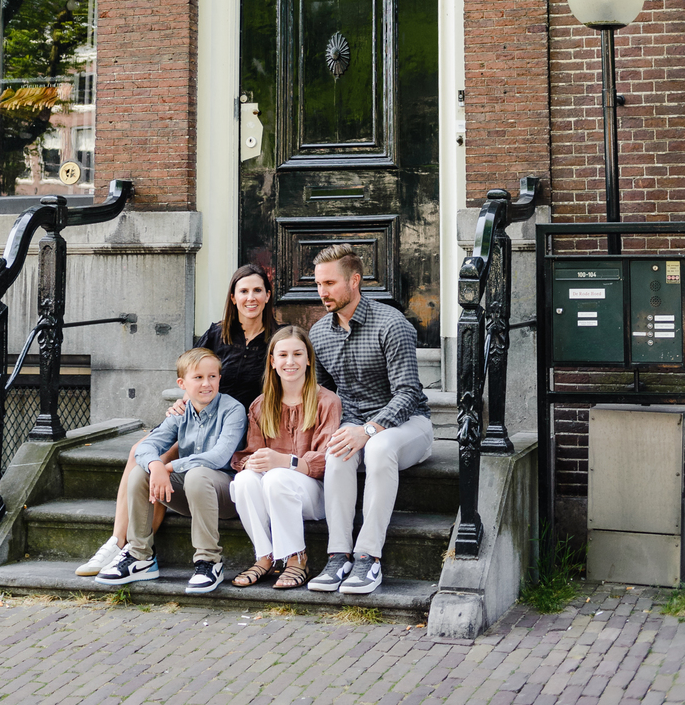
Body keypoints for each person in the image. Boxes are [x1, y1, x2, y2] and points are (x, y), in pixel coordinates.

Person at [76, 263, 275, 576]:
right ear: (233, 297)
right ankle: (121, 544)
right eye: (244, 291)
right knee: (142, 455)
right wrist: (184, 402)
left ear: (267, 295)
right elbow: (194, 372)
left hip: (239, 427)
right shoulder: (217, 333)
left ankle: (135, 548)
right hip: (199, 418)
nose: (251, 297)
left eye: (257, 290)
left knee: (170, 465)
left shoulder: (276, 340)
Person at [306, 242, 434, 597]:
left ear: (355, 281)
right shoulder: (319, 333)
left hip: (408, 426)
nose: (322, 292)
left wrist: (369, 430)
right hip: (356, 422)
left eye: (330, 283)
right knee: (337, 450)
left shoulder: (392, 325)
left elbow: (407, 394)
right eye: (318, 284)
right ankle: (338, 555)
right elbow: (324, 395)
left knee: (377, 449)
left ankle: (369, 557)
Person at [95, 347, 246, 594]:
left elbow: (219, 456)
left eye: (212, 377)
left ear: (220, 378)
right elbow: (147, 446)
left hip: (225, 496)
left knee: (196, 474)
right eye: (198, 378)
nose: (206, 384)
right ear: (182, 383)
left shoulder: (232, 410)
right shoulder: (180, 412)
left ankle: (208, 562)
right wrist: (155, 466)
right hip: (191, 494)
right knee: (140, 473)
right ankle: (140, 556)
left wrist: (171, 466)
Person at [229, 324, 341, 590]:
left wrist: (284, 461)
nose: (290, 362)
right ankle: (264, 556)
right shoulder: (260, 405)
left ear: (309, 360)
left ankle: (297, 559)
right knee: (244, 480)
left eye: (298, 354)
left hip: (314, 494)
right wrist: (251, 463)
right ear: (272, 361)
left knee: (278, 476)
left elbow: (327, 462)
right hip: (273, 491)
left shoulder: (327, 401)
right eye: (282, 355)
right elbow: (248, 454)